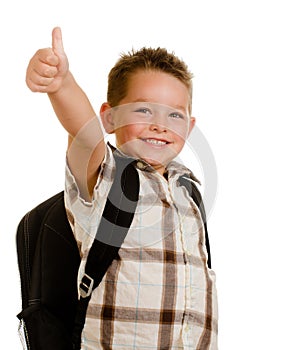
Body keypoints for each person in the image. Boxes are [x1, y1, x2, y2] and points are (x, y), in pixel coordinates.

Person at [26, 27, 218, 349]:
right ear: (110, 117)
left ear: (190, 125)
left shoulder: (190, 192)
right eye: (143, 109)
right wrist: (62, 86)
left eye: (175, 114)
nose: (160, 124)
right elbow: (85, 134)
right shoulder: (107, 175)